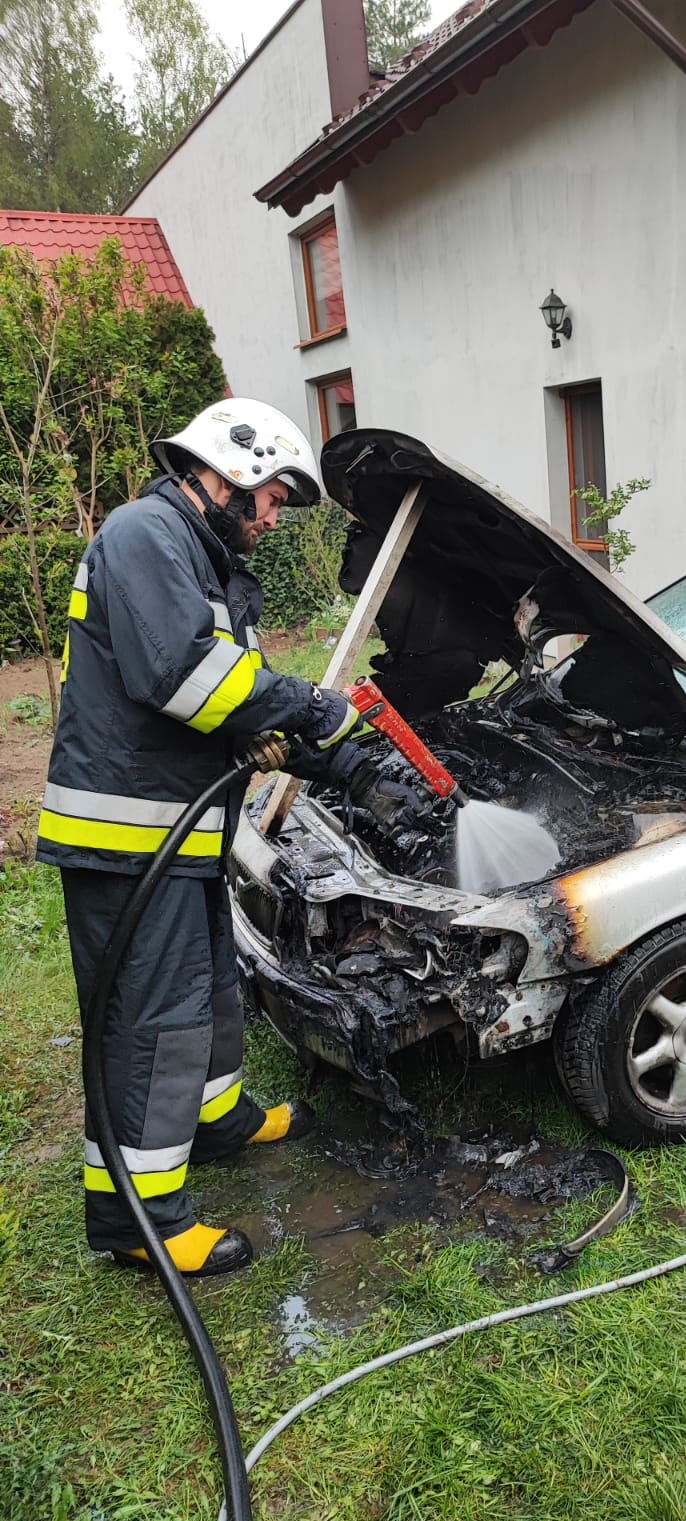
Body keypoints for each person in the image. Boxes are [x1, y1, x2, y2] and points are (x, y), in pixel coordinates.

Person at [36, 398, 402, 1277]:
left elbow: (224, 708)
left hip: (182, 828)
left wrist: (331, 763)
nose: (274, 519)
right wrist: (317, 705)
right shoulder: (142, 536)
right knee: (148, 1023)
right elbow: (187, 678)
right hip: (129, 841)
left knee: (207, 994)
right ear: (228, 473)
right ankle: (141, 1222)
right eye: (273, 498)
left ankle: (217, 1119)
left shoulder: (196, 557)